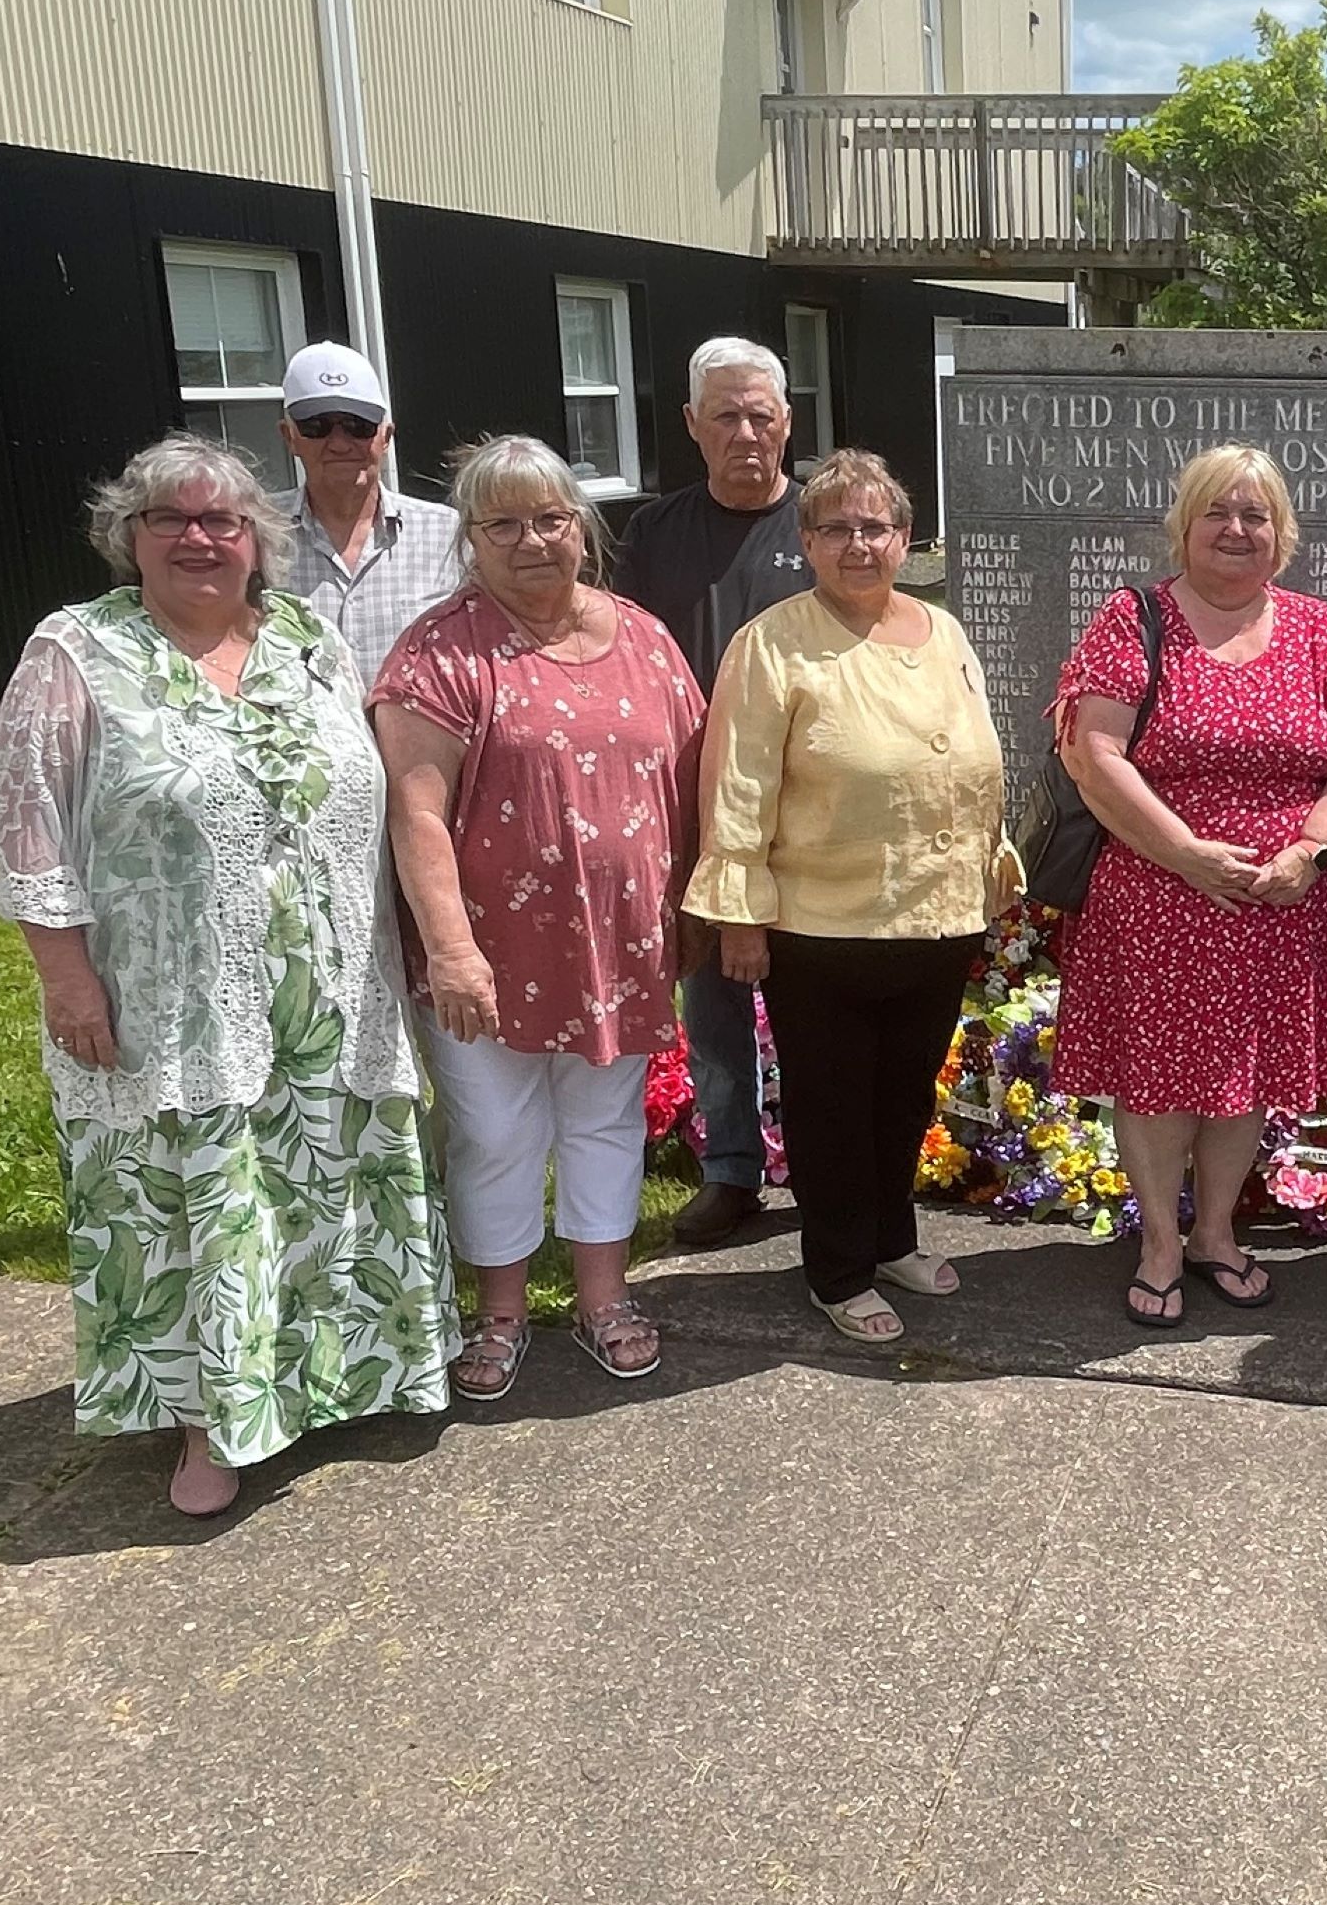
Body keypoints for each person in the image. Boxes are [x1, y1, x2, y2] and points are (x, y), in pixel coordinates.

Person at [0, 434, 456, 1516]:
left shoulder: (304, 635)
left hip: (329, 988)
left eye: (222, 520)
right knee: (208, 1201)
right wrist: (67, 976)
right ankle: (213, 1418)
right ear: (127, 537)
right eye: (170, 519)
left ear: (257, 539)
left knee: (328, 1181)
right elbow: (28, 829)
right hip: (170, 996)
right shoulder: (78, 648)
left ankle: (345, 1377)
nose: (198, 537)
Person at [371, 436, 704, 1400]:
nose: (530, 540)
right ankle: (503, 1312)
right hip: (491, 952)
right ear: (469, 539)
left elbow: (690, 780)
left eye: (550, 517)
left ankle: (603, 1299)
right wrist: (451, 949)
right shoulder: (441, 652)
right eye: (502, 523)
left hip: (625, 943)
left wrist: (695, 906)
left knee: (605, 1123)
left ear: (581, 526)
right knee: (496, 1131)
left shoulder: (643, 634)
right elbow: (416, 811)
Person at [688, 450, 1019, 1347]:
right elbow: (739, 788)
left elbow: (969, 765)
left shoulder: (942, 632)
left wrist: (989, 876)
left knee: (904, 1098)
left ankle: (890, 1238)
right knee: (833, 1106)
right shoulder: (770, 644)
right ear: (807, 541)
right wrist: (740, 914)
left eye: (876, 527)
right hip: (819, 926)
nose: (859, 544)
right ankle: (836, 1267)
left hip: (935, 915)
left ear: (905, 539)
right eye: (836, 527)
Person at [1052, 446, 1327, 1328]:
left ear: (1282, 535)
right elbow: (1098, 753)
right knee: (1162, 1080)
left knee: (1243, 1076)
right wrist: (1189, 854)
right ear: (1185, 526)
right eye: (1218, 514)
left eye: (1255, 516)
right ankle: (1161, 1240)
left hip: (1282, 900)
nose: (1236, 531)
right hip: (1163, 897)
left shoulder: (1317, 628)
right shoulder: (1135, 619)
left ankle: (1216, 1235)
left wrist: (1313, 850)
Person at [612, 336, 812, 1248]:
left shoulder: (822, 528)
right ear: (693, 425)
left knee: (816, 995)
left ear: (787, 422)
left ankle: (822, 1165)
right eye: (725, 415)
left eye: (760, 414)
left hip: (812, 803)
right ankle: (731, 1168)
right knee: (715, 994)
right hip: (692, 802)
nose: (745, 432)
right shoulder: (652, 536)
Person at [268, 341, 464, 689]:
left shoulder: (448, 534)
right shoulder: (255, 533)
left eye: (358, 425)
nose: (340, 443)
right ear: (289, 437)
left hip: (415, 740)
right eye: (317, 426)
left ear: (385, 436)